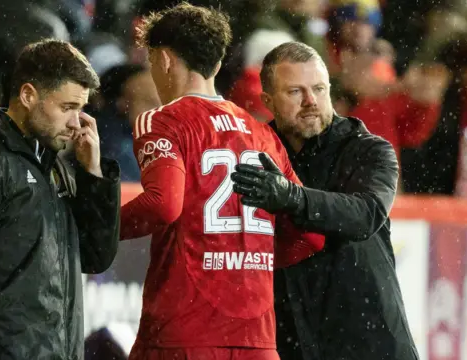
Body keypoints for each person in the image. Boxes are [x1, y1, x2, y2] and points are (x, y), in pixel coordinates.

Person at [119, 3, 322, 360]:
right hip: (257, 340)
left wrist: (93, 228)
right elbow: (310, 232)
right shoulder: (263, 134)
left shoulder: (163, 121)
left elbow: (163, 205)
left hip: (182, 334)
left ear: (164, 59)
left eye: (152, 62)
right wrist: (247, 261)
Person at [0, 39, 121, 360]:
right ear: (28, 95)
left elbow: (96, 256)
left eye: (81, 109)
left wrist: (93, 174)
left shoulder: (56, 164)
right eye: (67, 107)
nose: (76, 123)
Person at [231, 41, 418, 360]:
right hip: (293, 340)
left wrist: (291, 197)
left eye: (319, 88)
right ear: (267, 101)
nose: (311, 101)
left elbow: (365, 214)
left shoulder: (370, 150)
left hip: (371, 342)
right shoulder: (255, 153)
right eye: (295, 92)